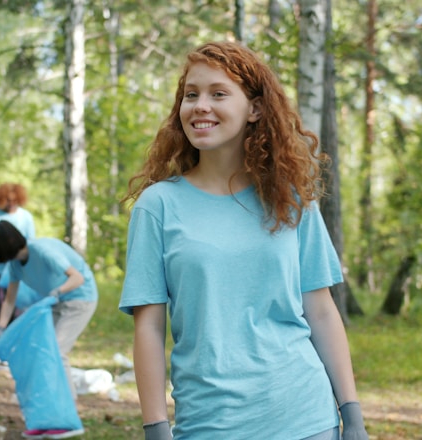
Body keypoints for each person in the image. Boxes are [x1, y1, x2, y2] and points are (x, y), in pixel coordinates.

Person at [119, 41, 369, 440]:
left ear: (254, 109)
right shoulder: (158, 206)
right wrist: (155, 427)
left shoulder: (291, 199)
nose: (200, 105)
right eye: (191, 95)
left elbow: (320, 311)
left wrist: (351, 414)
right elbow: (149, 327)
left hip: (306, 416)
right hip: (209, 423)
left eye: (218, 93)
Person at [0, 221, 98, 402]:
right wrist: (0, 329)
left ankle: (68, 407)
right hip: (55, 301)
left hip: (80, 299)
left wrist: (58, 292)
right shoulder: (15, 265)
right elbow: (9, 300)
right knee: (41, 349)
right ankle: (47, 401)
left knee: (57, 351)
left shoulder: (42, 251)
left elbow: (77, 278)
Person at [0, 183, 36, 350]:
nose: (11, 203)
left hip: (18, 270)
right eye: (7, 200)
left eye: (14, 200)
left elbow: (30, 242)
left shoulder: (25, 217)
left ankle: (17, 345)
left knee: (17, 307)